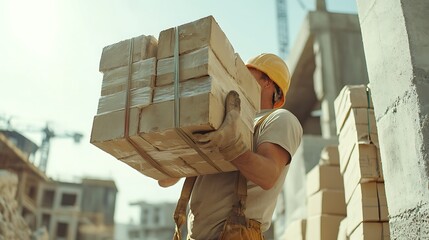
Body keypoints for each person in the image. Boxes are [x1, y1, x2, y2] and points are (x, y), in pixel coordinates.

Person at [159, 53, 303, 240]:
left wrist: (231, 146)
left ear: (267, 81)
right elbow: (165, 181)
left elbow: (268, 176)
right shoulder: (221, 119)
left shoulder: (279, 120)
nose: (237, 79)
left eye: (247, 74)